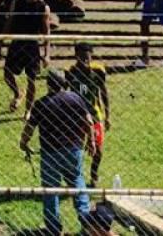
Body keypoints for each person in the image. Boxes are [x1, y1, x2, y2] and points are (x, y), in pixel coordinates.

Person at [20, 69, 92, 236]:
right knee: (77, 181)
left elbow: (29, 128)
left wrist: (23, 142)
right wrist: (92, 142)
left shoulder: (41, 104)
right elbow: (88, 121)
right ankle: (87, 221)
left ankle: (53, 229)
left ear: (48, 84)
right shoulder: (75, 98)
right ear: (65, 83)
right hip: (74, 150)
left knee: (50, 191)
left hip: (50, 153)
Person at [0, 0, 49, 114]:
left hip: (32, 46)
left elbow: (46, 32)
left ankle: (28, 110)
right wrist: (0, 42)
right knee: (7, 73)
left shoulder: (43, 7)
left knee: (32, 80)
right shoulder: (17, 3)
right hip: (17, 43)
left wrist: (47, 54)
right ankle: (18, 93)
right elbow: (9, 23)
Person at [67, 42, 110, 187]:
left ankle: (94, 174)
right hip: (75, 115)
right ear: (76, 56)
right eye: (82, 58)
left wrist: (108, 115)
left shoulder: (98, 71)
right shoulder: (70, 72)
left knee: (98, 150)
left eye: (88, 58)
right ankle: (74, 176)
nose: (86, 61)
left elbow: (104, 93)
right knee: (74, 148)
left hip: (94, 113)